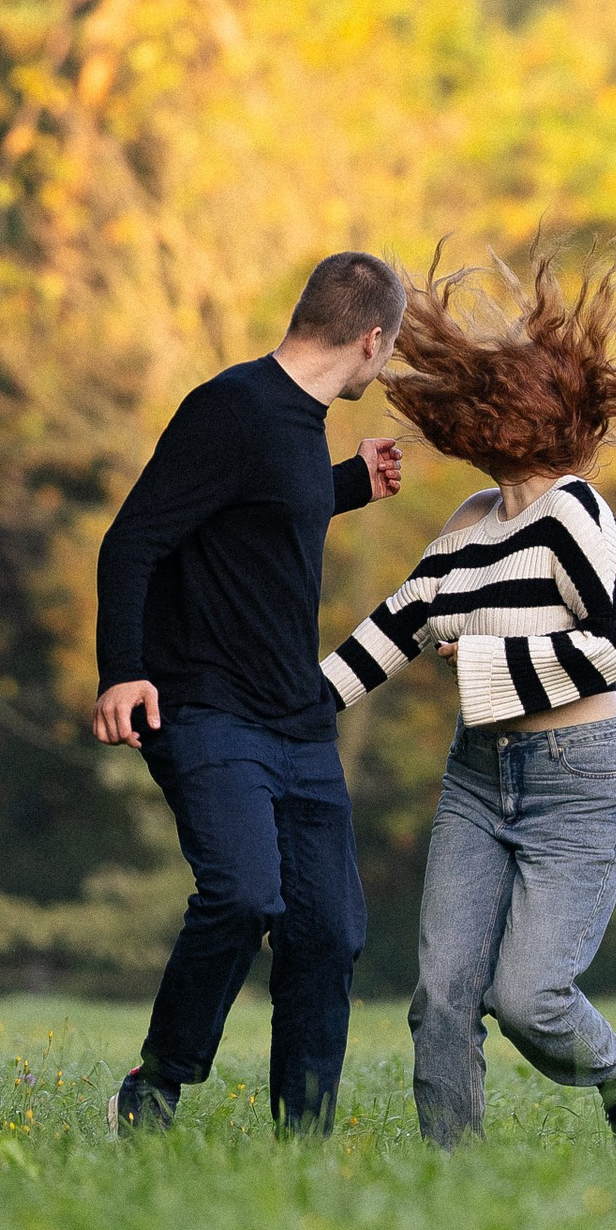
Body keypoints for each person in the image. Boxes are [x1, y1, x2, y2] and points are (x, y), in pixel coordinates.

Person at [321, 248, 616, 1149]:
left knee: (529, 1001)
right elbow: (397, 625)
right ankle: (452, 1177)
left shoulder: (576, 514)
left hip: (579, 779)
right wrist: (290, 704)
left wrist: (488, 664)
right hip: (479, 778)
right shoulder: (465, 527)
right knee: (441, 994)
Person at [95, 251, 407, 1135]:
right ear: (371, 340)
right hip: (205, 707)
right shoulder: (230, 407)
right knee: (242, 896)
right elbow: (132, 541)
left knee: (329, 933)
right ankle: (154, 1085)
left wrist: (350, 485)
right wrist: (121, 670)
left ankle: (302, 1139)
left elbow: (261, 513)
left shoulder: (300, 427)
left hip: (296, 718)